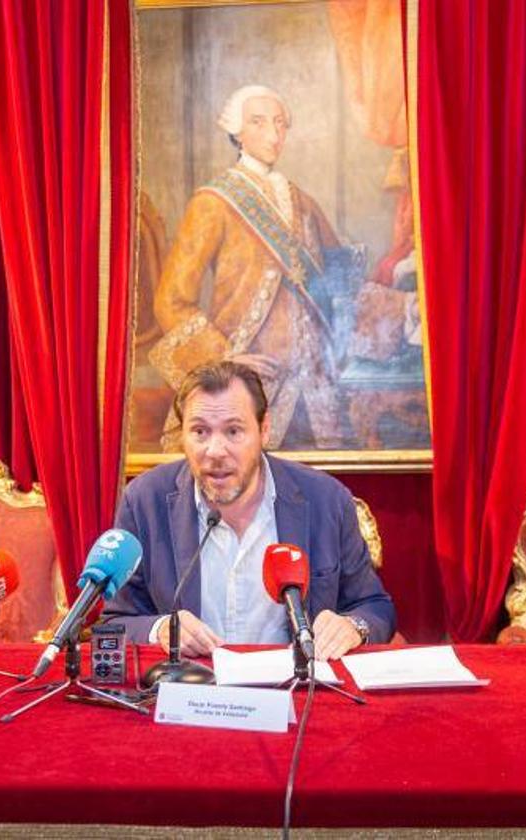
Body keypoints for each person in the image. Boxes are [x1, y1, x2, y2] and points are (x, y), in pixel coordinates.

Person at [101, 360, 396, 660]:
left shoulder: (326, 500)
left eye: (233, 431)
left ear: (264, 430)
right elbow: (116, 620)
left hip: (295, 693)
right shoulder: (144, 501)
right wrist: (160, 628)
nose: (215, 451)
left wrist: (351, 626)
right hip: (191, 690)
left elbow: (374, 607)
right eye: (200, 432)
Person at [148, 84, 360, 451]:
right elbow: (171, 301)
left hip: (315, 394)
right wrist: (223, 359)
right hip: (245, 390)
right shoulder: (213, 202)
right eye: (259, 123)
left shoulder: (302, 200)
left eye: (280, 123)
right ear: (237, 132)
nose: (274, 134)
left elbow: (338, 281)